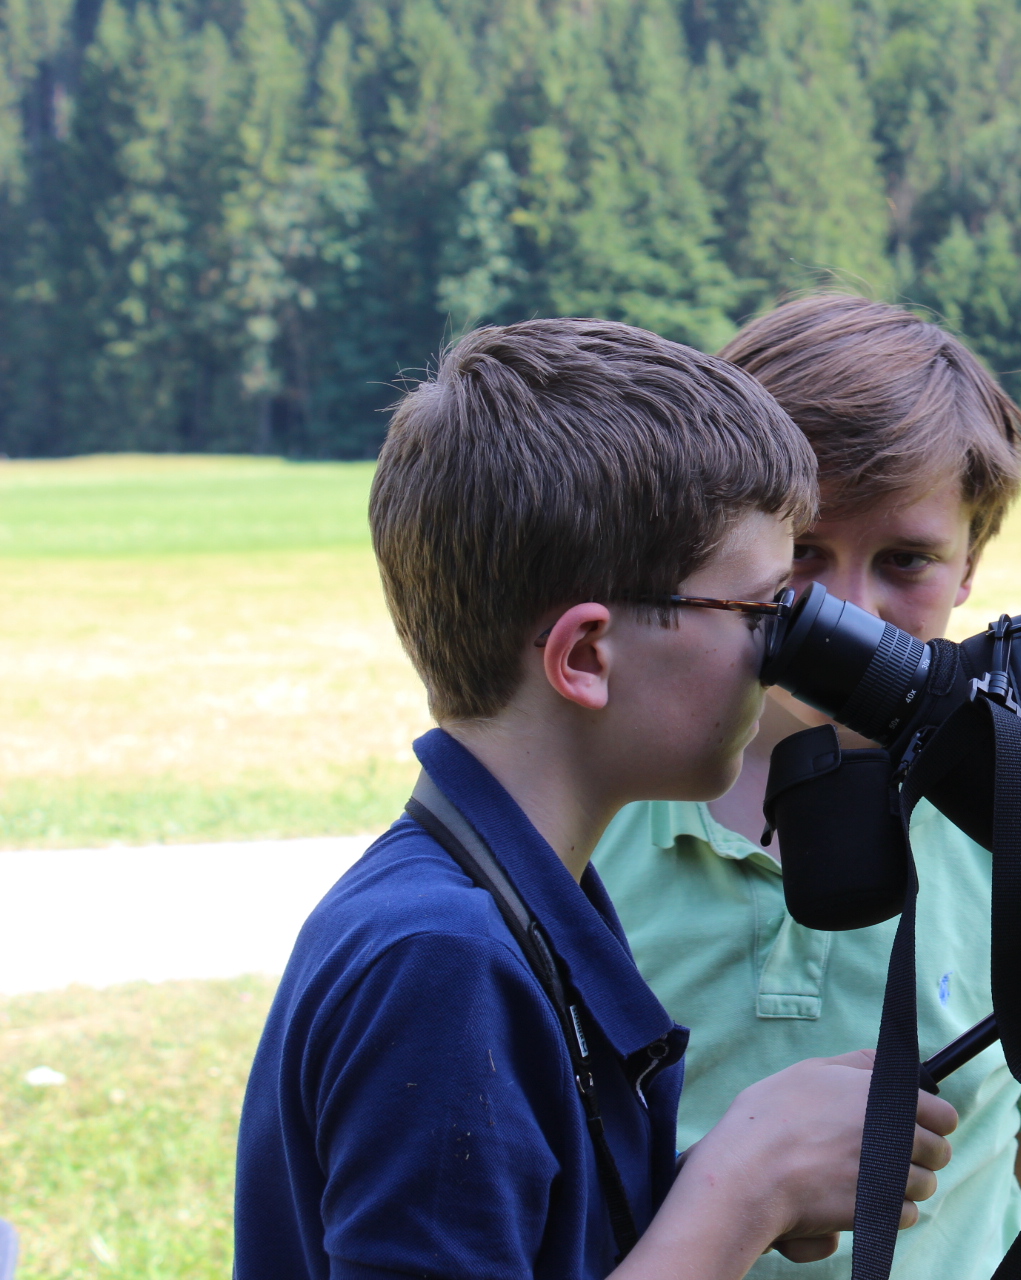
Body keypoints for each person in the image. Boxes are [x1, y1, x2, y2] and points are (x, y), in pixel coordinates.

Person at [232, 318, 957, 1280]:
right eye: (762, 610)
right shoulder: (442, 962)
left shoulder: (517, 899)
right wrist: (748, 1191)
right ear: (586, 657)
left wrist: (707, 1184)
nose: (790, 653)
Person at [592, 295, 1021, 1279]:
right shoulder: (595, 806)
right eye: (803, 552)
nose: (851, 611)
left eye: (906, 560)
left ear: (972, 562)